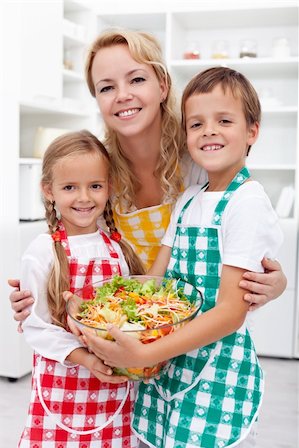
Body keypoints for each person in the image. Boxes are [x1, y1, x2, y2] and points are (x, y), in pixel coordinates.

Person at [9, 29, 286, 325]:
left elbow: (244, 236)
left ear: (163, 86)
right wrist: (38, 289)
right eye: (106, 88)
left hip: (194, 329)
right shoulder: (95, 172)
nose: (123, 95)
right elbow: (72, 251)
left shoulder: (201, 157)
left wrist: (276, 282)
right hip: (127, 328)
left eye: (137, 79)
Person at [78, 67, 284, 448]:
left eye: (224, 120)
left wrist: (145, 351)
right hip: (172, 364)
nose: (209, 131)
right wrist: (109, 316)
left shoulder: (248, 203)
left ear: (252, 131)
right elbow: (156, 281)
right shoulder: (189, 198)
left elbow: (229, 313)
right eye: (196, 124)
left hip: (219, 372)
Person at [17, 130, 144, 448]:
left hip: (114, 390)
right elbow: (36, 327)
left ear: (109, 187)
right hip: (61, 387)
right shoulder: (42, 251)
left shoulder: (119, 249)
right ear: (49, 190)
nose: (84, 198)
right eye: (70, 187)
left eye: (95, 186)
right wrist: (86, 359)